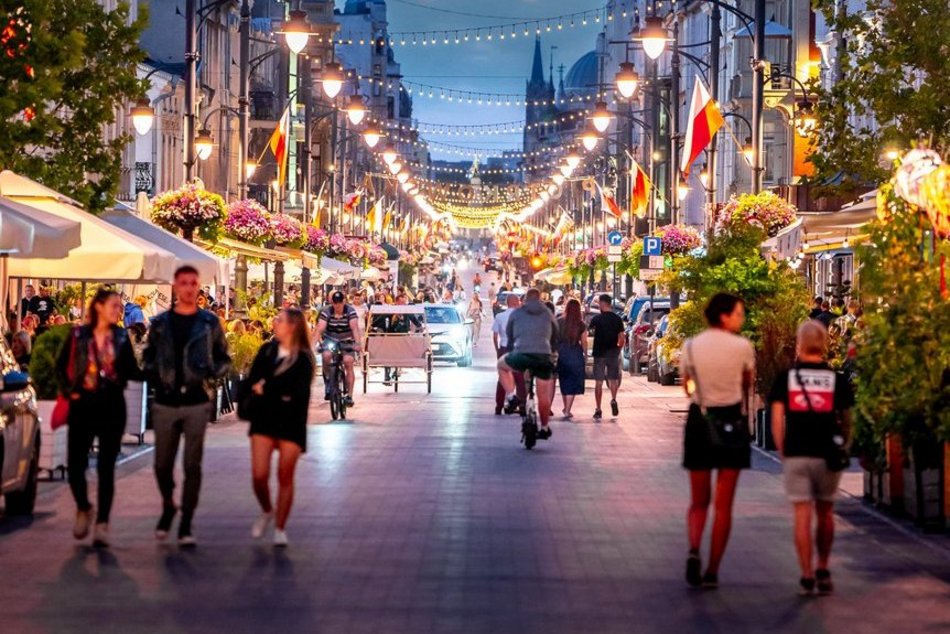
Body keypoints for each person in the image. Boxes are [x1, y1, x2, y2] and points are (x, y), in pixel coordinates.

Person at [143, 265, 232, 546]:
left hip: (196, 400)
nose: (189, 288)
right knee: (161, 464)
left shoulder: (209, 323)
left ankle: (186, 523)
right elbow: (148, 357)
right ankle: (169, 504)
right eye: (184, 283)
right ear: (175, 286)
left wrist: (210, 374)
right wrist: (156, 374)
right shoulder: (160, 324)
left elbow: (224, 358)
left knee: (192, 464)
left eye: (194, 283)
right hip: (166, 401)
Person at [770, 321, 853, 596]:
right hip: (827, 453)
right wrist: (845, 446)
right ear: (825, 345)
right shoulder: (837, 380)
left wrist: (783, 450)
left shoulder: (786, 378)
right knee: (826, 513)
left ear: (799, 344)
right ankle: (823, 567)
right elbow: (848, 421)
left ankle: (806, 574)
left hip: (796, 452)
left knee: (802, 516)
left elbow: (776, 421)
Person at [679, 293, 755, 588]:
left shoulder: (691, 346)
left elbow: (687, 386)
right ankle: (712, 571)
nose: (742, 318)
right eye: (738, 313)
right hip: (731, 422)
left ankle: (694, 548)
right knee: (724, 505)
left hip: (700, 419)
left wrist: (701, 389)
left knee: (699, 501)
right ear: (724, 316)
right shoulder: (743, 347)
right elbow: (747, 384)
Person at [56, 288, 141, 547]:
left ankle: (102, 523)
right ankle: (84, 506)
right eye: (114, 305)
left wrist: (160, 373)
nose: (119, 310)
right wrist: (71, 394)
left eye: (119, 306)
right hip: (83, 405)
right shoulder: (78, 335)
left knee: (106, 467)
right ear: (99, 307)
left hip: (112, 405)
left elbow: (132, 371)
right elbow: (61, 366)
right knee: (75, 464)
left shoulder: (122, 337)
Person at [245, 308, 315, 547]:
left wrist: (267, 388)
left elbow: (297, 392)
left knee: (285, 475)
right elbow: (253, 379)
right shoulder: (267, 351)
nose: (275, 323)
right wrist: (271, 389)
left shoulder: (303, 358)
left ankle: (280, 527)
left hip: (291, 421)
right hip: (264, 419)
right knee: (259, 475)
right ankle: (267, 509)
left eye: (280, 320)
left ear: (293, 326)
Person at [497, 288, 559, 439]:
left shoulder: (517, 313)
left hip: (522, 354)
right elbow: (556, 332)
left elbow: (510, 333)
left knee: (501, 365)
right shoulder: (547, 313)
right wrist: (552, 350)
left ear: (524, 300)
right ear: (539, 299)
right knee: (543, 394)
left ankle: (512, 397)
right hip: (543, 356)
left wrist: (512, 348)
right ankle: (544, 427)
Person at [314, 290, 361, 407]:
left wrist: (358, 343)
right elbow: (319, 328)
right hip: (331, 339)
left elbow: (355, 328)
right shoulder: (326, 311)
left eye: (340, 303)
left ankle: (349, 396)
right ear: (332, 303)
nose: (337, 305)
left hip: (347, 340)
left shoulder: (350, 311)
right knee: (326, 356)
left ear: (344, 302)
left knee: (348, 362)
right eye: (335, 303)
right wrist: (311, 346)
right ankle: (329, 379)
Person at [589, 294, 625, 420]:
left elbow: (589, 331)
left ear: (602, 304)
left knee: (598, 382)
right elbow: (622, 338)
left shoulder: (597, 319)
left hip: (599, 353)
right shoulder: (617, 319)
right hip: (612, 353)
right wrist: (618, 348)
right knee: (613, 379)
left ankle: (598, 409)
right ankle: (613, 399)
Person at [491, 293, 526, 415]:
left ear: (507, 303)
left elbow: (495, 336)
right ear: (517, 303)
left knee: (502, 378)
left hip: (504, 348)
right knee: (520, 379)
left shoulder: (499, 316)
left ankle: (499, 405)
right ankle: (522, 405)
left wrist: (498, 350)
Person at [556, 298, 587, 419]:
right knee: (573, 382)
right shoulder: (581, 324)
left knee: (564, 380)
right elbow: (584, 341)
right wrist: (585, 354)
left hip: (562, 353)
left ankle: (566, 407)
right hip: (575, 352)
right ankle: (567, 410)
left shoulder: (559, 322)